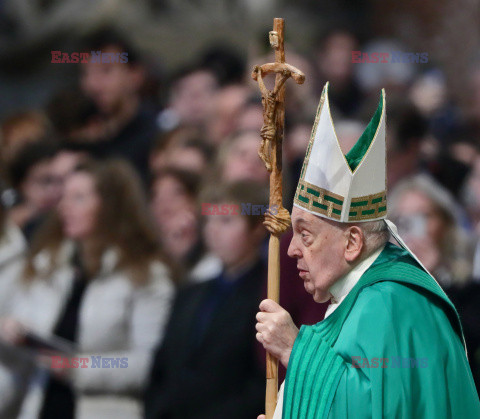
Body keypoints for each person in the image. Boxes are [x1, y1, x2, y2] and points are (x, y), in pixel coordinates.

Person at [255, 82, 480, 418]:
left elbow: (377, 409)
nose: (292, 251)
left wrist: (295, 349)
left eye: (306, 235)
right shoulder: (360, 296)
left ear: (352, 242)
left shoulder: (388, 302)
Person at [0, 159, 175, 419]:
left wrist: (79, 367)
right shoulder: (51, 265)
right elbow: (27, 352)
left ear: (110, 207)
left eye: (79, 198)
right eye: (65, 197)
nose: (64, 207)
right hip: (40, 405)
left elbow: (143, 365)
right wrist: (13, 335)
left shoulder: (146, 276)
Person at [144, 180, 267, 419]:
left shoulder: (267, 295)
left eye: (226, 221)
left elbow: (261, 380)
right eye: (209, 220)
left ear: (256, 229)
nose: (213, 230)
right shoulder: (190, 292)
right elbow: (162, 366)